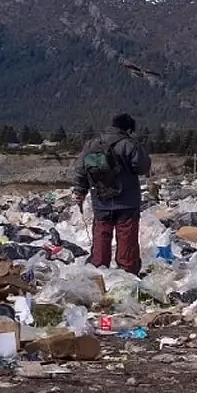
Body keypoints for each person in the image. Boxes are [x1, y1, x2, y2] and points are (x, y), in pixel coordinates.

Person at [72, 113, 151, 275]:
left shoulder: (92, 144)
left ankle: (99, 270)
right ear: (128, 129)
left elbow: (81, 170)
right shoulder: (129, 145)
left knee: (101, 235)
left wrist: (80, 191)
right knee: (126, 239)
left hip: (101, 201)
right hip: (127, 202)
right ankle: (127, 273)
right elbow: (142, 168)